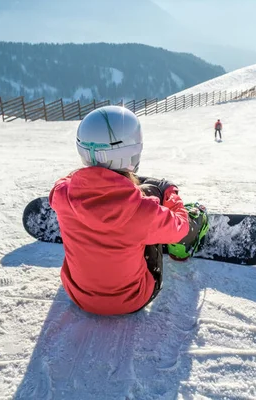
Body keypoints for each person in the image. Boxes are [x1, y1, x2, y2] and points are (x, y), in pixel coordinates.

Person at [49, 106, 206, 316]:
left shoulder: (61, 194)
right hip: (133, 300)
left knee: (140, 206)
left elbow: (71, 180)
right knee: (155, 203)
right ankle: (181, 247)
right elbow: (181, 226)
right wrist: (170, 194)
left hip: (78, 295)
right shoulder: (142, 210)